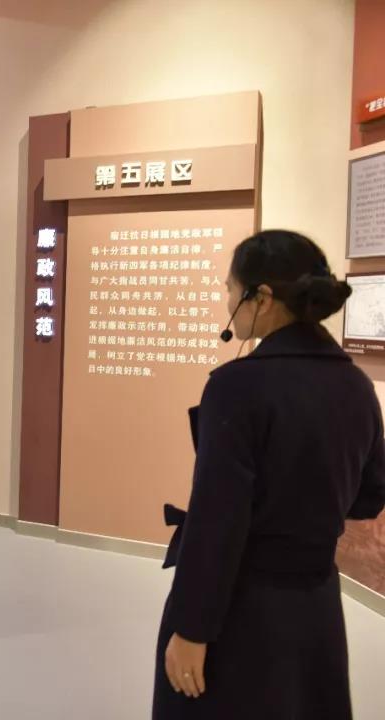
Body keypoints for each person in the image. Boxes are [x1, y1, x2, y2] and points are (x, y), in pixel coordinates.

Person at [153, 230, 385, 720]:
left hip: (242, 609)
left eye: (231, 290)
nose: (228, 301)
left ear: (261, 298)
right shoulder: (357, 386)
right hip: (316, 606)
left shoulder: (236, 387)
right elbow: (368, 498)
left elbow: (218, 519)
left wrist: (192, 629)